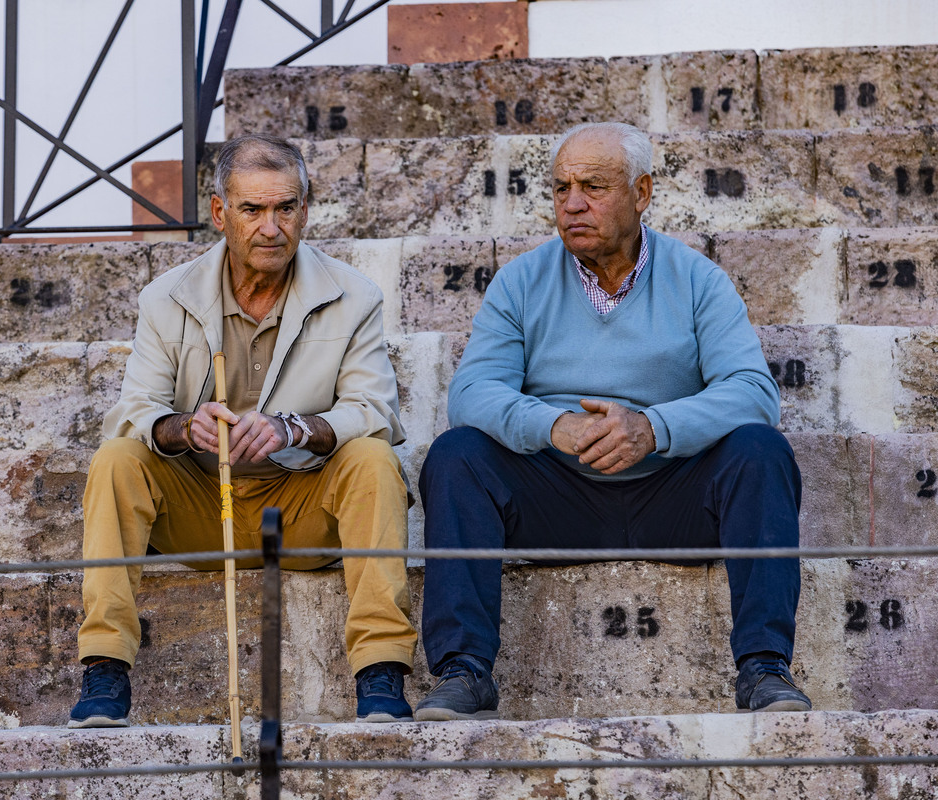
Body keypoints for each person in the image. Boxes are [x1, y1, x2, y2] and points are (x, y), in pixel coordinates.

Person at [414, 122, 810, 721]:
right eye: (561, 188)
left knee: (760, 450)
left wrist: (652, 428)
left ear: (642, 192)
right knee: (456, 454)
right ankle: (465, 672)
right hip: (557, 496)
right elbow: (472, 391)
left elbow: (753, 392)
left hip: (673, 496)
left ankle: (764, 668)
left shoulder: (698, 279)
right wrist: (555, 428)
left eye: (594, 187)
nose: (573, 203)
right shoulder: (521, 281)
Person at [68, 134, 417, 728]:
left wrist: (296, 428)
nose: (271, 226)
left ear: (305, 210)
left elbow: (377, 410)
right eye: (252, 209)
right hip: (205, 509)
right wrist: (184, 427)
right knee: (117, 458)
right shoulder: (165, 298)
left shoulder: (353, 296)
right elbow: (132, 411)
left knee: (374, 461)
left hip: (301, 511)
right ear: (219, 213)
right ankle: (105, 669)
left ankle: (380, 672)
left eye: (286, 208)